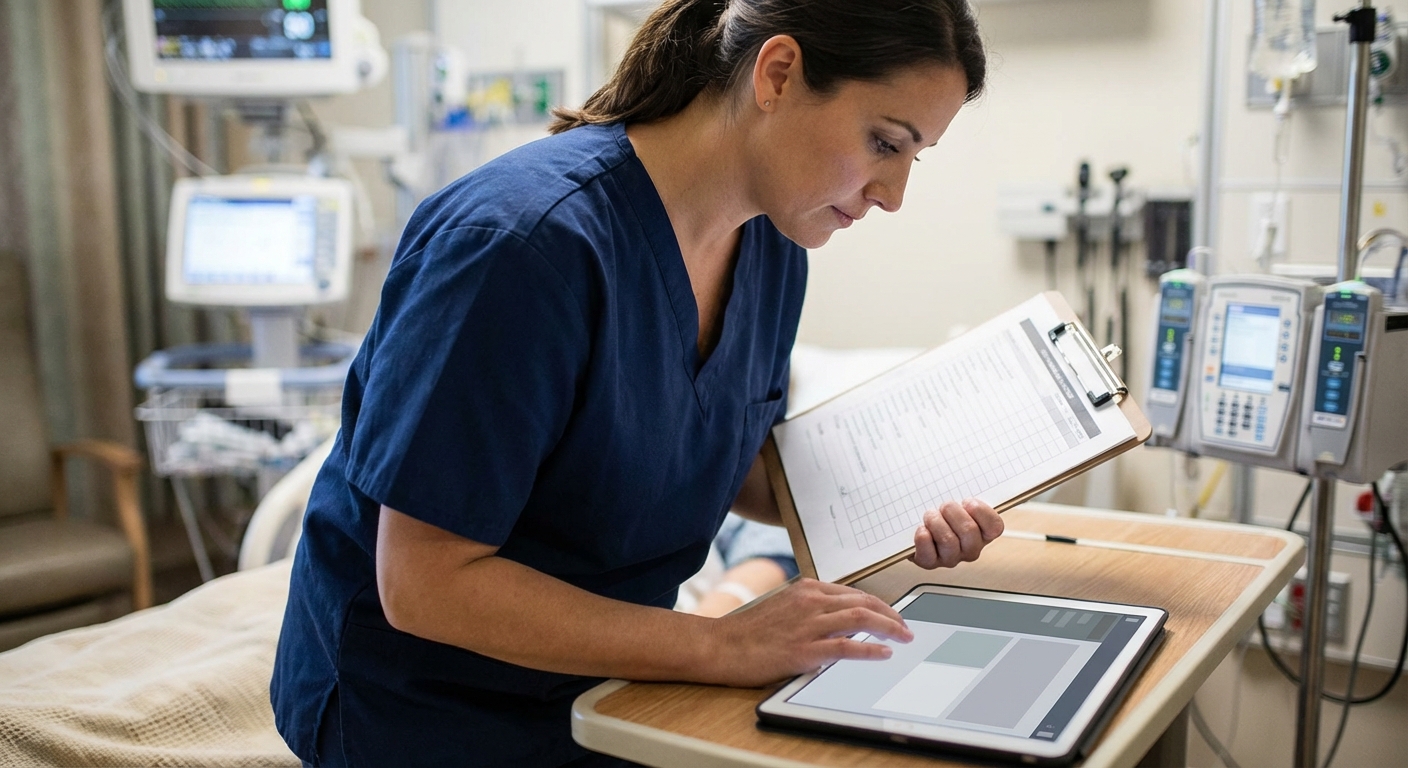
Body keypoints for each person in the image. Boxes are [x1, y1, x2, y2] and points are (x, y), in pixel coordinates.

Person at [271, 1, 1000, 765]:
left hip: (614, 681)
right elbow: (424, 583)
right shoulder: (521, 247)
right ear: (777, 74)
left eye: (913, 157)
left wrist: (896, 507)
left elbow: (724, 457)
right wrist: (718, 645)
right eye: (884, 142)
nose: (893, 194)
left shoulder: (773, 251)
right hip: (429, 708)